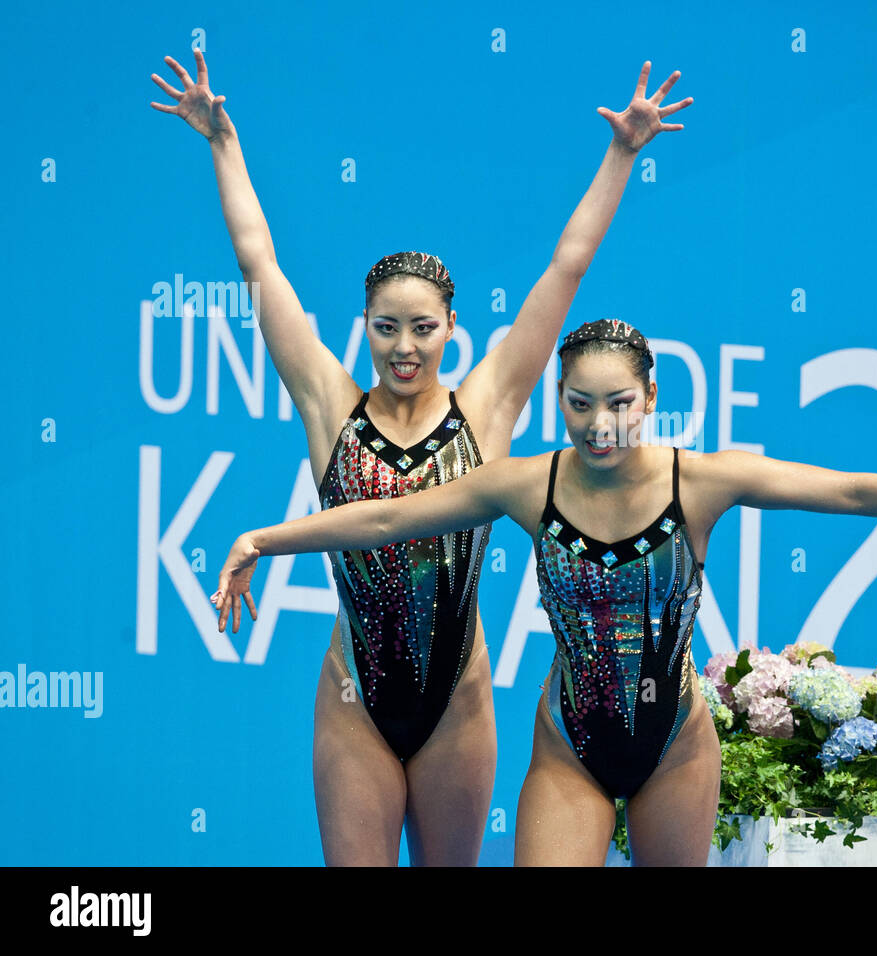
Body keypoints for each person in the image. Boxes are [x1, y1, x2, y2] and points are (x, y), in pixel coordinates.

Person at [212, 319, 877, 865]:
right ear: (560, 401)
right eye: (579, 405)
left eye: (619, 404)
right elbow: (387, 517)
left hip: (675, 746)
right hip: (568, 748)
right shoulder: (526, 485)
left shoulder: (700, 482)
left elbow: (848, 490)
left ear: (650, 399)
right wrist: (262, 540)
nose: (599, 425)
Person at [151, 49, 693, 865]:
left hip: (458, 707)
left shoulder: (487, 408)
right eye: (385, 328)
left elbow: (567, 265)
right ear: (365, 327)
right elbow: (257, 262)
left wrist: (621, 153)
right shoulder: (330, 406)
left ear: (451, 328)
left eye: (423, 328)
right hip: (354, 700)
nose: (404, 347)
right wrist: (223, 143)